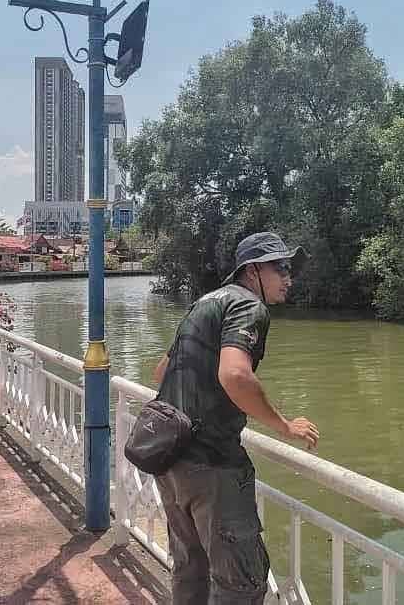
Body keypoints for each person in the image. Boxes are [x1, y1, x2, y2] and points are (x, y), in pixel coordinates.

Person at [152, 231, 320, 604]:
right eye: (282, 268)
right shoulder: (248, 306)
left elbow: (161, 372)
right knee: (240, 584)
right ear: (254, 270)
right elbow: (235, 375)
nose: (289, 278)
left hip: (170, 458)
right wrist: (284, 425)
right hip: (211, 464)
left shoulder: (205, 303)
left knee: (190, 570)